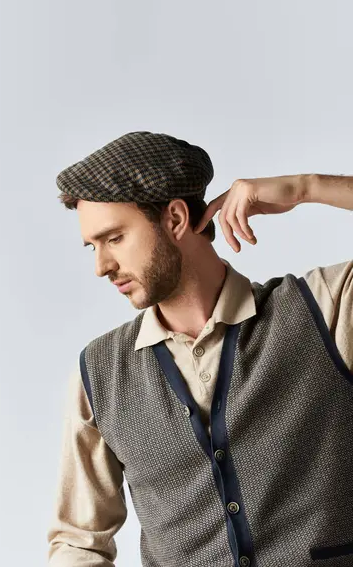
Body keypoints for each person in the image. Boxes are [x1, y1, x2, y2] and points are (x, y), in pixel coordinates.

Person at [47, 131, 353, 567]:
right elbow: (78, 544)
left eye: (114, 238)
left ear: (174, 219)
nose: (101, 266)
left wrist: (306, 188)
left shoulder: (324, 309)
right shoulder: (98, 374)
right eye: (92, 246)